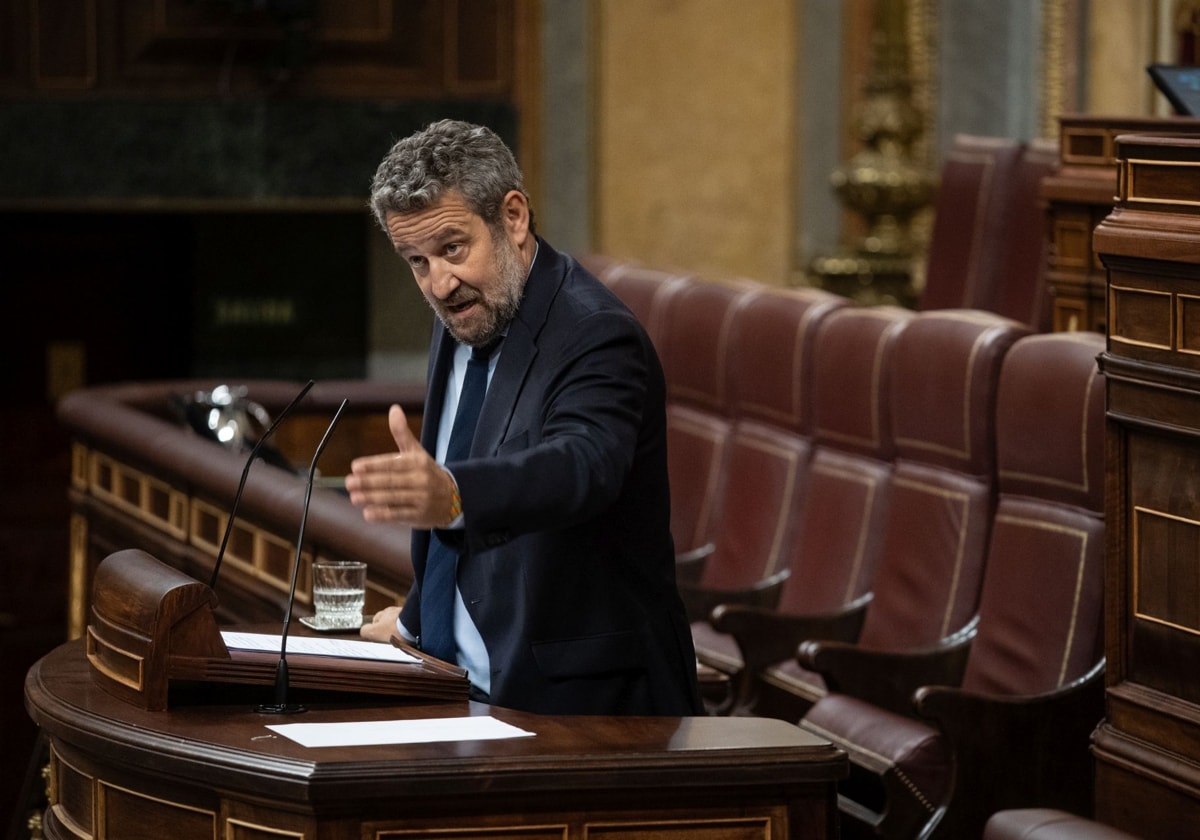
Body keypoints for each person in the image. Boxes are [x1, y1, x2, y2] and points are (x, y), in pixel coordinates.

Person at [345, 119, 703, 716]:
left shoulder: (595, 332)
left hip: (585, 708)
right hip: (465, 690)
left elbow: (582, 465)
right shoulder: (462, 313)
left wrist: (456, 495)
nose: (438, 282)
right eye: (416, 260)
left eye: (452, 248)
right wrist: (415, 625)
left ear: (513, 217)